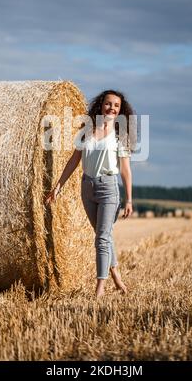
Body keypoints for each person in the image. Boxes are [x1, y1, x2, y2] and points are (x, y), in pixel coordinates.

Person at [44, 89, 134, 298]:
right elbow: (75, 160)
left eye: (116, 106)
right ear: (101, 104)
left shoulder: (120, 134)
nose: (111, 108)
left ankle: (100, 288)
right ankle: (116, 275)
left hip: (108, 188)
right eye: (108, 103)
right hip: (87, 188)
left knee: (102, 238)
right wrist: (58, 186)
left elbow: (125, 169)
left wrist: (129, 199)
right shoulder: (87, 130)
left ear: (120, 110)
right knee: (103, 236)